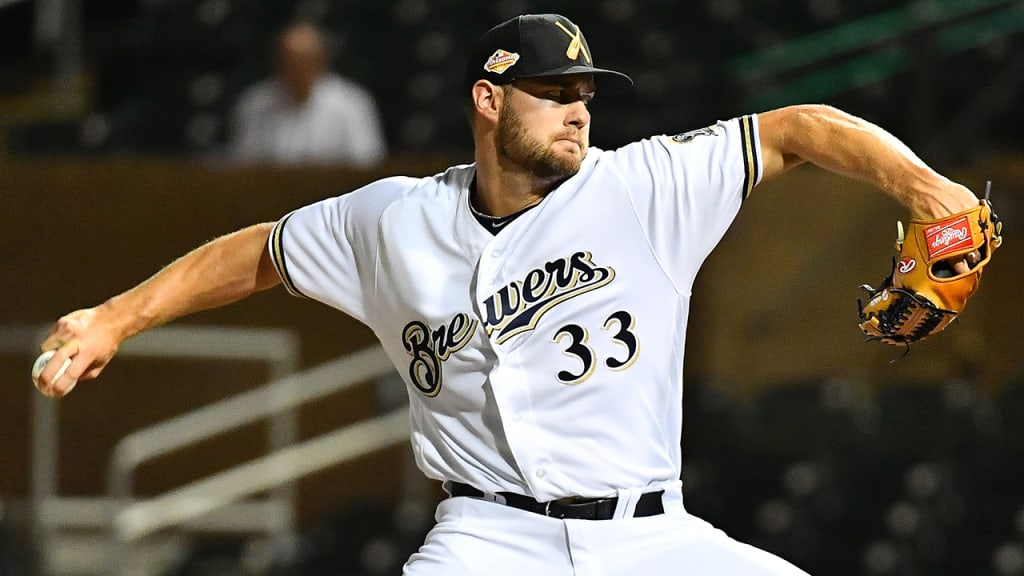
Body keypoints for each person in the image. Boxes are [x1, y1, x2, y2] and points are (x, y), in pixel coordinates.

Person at [37, 13, 983, 575]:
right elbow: (263, 251)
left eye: (586, 89)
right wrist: (118, 316)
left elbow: (801, 128)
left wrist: (927, 191)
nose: (579, 106)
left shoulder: (641, 186)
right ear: (489, 100)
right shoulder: (391, 218)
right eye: (552, 88)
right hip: (488, 539)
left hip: (651, 538)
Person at [230, 21, 387, 167]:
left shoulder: (351, 103)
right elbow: (243, 164)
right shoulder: (255, 102)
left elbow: (367, 163)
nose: (296, 69)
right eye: (288, 61)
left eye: (303, 61)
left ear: (320, 60)